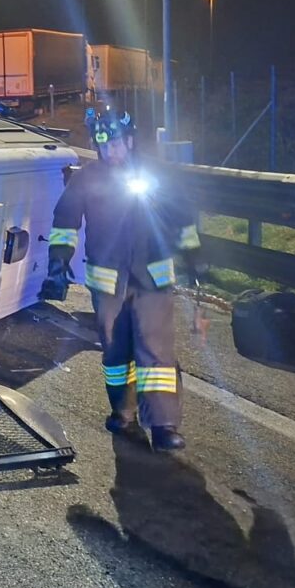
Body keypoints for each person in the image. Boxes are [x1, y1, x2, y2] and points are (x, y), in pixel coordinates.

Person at [40, 104, 202, 451]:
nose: (111, 151)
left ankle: (162, 425)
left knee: (154, 350)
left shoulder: (156, 174)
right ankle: (123, 410)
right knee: (115, 352)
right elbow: (65, 223)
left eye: (116, 143)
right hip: (107, 283)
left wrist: (193, 257)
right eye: (104, 145)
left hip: (153, 280)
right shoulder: (87, 177)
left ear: (130, 141)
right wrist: (57, 265)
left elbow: (182, 216)